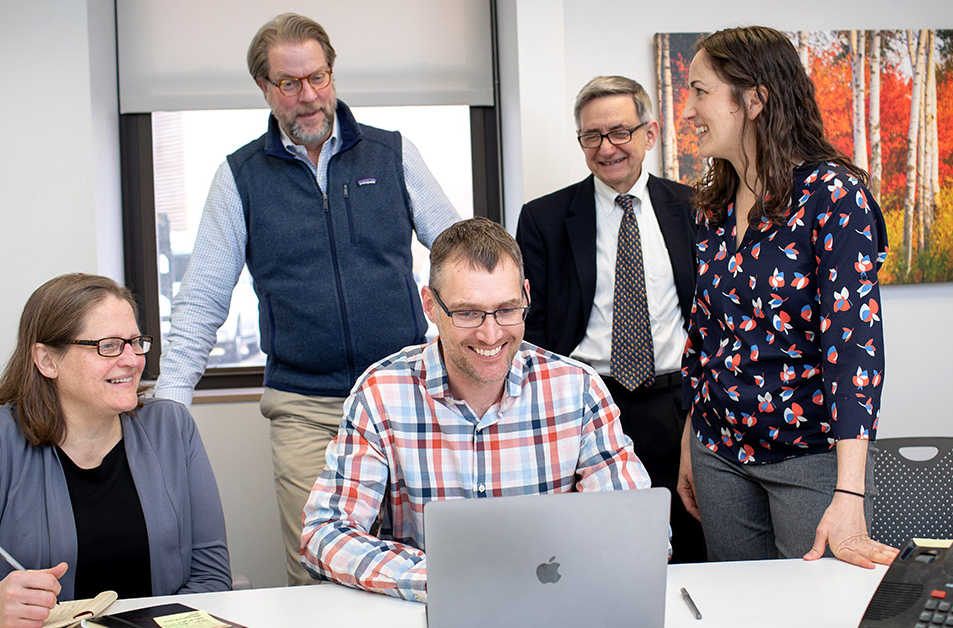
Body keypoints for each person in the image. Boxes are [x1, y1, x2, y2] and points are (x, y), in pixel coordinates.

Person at [153, 13, 460, 586]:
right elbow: (202, 302)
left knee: (423, 560)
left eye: (317, 78)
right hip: (305, 408)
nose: (308, 96)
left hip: (404, 398)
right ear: (265, 89)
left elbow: (459, 257)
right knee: (320, 566)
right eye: (289, 83)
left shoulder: (392, 155)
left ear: (332, 74)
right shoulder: (239, 177)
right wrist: (170, 405)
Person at [299, 217, 652, 602]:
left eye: (506, 309)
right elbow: (325, 532)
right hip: (431, 611)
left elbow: (635, 522)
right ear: (431, 306)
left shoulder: (577, 389)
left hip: (554, 607)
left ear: (526, 297)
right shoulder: (381, 393)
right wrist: (446, 580)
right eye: (468, 313)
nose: (491, 334)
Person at [677, 26, 898, 568]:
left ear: (754, 99)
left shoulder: (833, 196)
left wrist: (850, 494)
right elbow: (707, 335)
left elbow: (855, 350)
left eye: (701, 91)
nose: (688, 109)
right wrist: (691, 438)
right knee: (737, 610)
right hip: (719, 453)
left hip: (810, 459)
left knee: (816, 611)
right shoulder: (715, 204)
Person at [0, 273, 229, 628]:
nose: (132, 360)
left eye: (135, 342)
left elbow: (211, 579)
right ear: (47, 360)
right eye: (109, 345)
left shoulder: (171, 427)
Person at [515, 76, 705, 563]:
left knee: (687, 546)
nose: (607, 148)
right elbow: (530, 328)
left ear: (650, 133)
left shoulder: (696, 209)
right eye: (592, 136)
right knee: (592, 555)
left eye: (620, 132)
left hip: (677, 407)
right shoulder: (544, 218)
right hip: (585, 406)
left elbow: (714, 318)